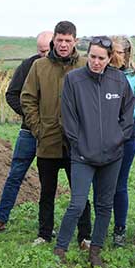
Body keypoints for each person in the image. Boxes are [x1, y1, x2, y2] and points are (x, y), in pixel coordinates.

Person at [53, 37, 135, 268]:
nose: (96, 62)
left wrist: (118, 139)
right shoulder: (74, 80)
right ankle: (60, 248)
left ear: (109, 59)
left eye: (101, 58)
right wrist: (78, 143)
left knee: (104, 205)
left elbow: (128, 114)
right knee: (77, 203)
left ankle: (95, 251)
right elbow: (68, 117)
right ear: (86, 55)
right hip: (82, 155)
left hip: (112, 155)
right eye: (92, 57)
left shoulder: (118, 80)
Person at [21, 21, 92, 248]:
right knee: (47, 192)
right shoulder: (39, 66)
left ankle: (85, 236)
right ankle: (44, 234)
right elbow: (27, 98)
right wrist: (38, 128)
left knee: (80, 192)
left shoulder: (85, 65)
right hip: (48, 141)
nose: (63, 45)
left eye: (68, 41)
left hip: (77, 144)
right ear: (54, 40)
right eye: (59, 40)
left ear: (75, 41)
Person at [0, 30, 54, 234]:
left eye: (47, 50)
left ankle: (46, 225)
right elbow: (11, 95)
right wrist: (30, 115)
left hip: (52, 134)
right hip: (28, 131)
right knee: (15, 175)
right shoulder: (27, 66)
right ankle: (0, 219)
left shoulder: (61, 68)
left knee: (48, 181)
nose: (44, 54)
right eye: (40, 51)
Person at [108, 35, 135, 247]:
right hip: (102, 136)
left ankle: (119, 229)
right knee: (102, 183)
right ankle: (100, 225)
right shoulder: (102, 72)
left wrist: (127, 117)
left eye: (119, 52)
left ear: (127, 54)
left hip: (126, 135)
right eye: (112, 52)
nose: (115, 56)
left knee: (119, 184)